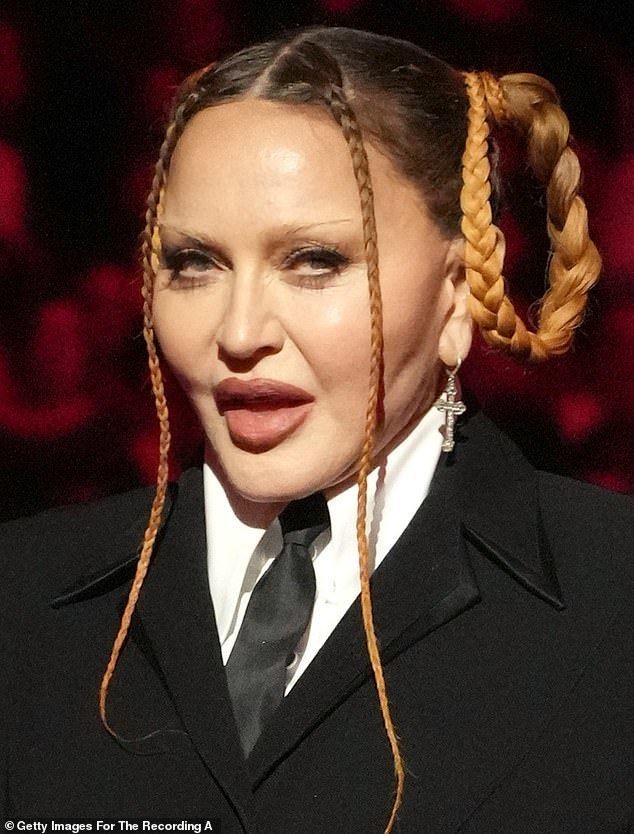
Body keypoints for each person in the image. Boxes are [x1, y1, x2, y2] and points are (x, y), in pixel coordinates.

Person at [1, 24, 632, 834]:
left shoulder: (613, 598)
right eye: (194, 262)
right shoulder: (23, 597)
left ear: (458, 292)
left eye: (313, 261)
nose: (239, 332)